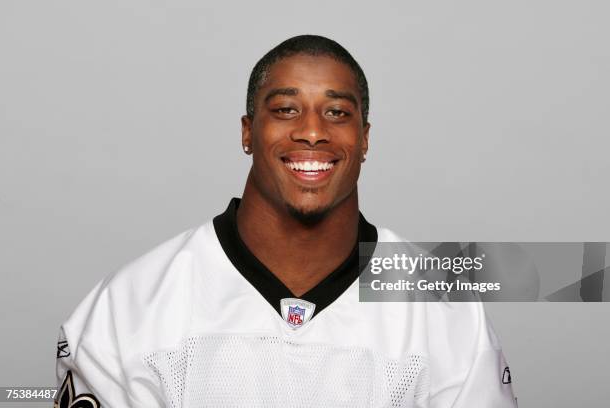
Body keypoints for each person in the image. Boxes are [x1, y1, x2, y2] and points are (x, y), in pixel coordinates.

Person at [55, 34, 517, 407]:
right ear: (247, 132)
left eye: (337, 113)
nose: (313, 131)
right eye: (285, 110)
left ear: (365, 138)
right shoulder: (129, 305)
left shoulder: (444, 308)